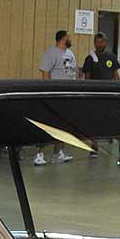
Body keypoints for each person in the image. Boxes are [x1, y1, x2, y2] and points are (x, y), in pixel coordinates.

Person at [33, 30, 78, 165]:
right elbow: (45, 72)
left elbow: (73, 72)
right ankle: (39, 154)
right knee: (49, 124)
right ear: (62, 39)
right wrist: (49, 91)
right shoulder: (51, 53)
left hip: (67, 94)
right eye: (68, 38)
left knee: (64, 125)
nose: (70, 40)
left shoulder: (70, 54)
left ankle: (58, 153)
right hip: (55, 94)